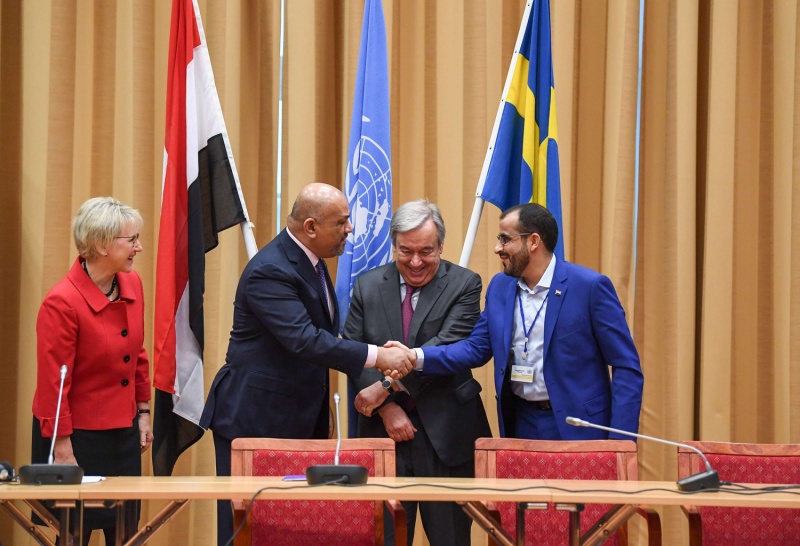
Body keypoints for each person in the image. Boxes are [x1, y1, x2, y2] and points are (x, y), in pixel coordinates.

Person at [199, 182, 414, 546]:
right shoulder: (270, 270)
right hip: (255, 418)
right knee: (248, 527)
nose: (350, 229)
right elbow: (305, 340)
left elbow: (317, 343)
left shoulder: (311, 261)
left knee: (293, 526)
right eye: (341, 222)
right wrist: (379, 356)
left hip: (294, 415)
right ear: (311, 227)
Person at [393, 202, 643, 441]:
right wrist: (415, 357)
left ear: (533, 241)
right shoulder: (500, 287)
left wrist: (621, 440)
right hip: (522, 423)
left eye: (505, 239)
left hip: (579, 426)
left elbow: (626, 366)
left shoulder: (589, 287)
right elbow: (475, 348)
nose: (497, 248)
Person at [343, 199, 491, 546]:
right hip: (383, 434)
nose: (415, 261)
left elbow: (448, 348)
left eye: (426, 251)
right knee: (385, 538)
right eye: (405, 251)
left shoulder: (465, 284)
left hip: (446, 432)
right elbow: (352, 351)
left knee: (450, 538)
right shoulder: (367, 284)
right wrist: (386, 407)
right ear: (394, 246)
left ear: (441, 246)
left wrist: (384, 387)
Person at [31, 197, 152, 544]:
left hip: (123, 433)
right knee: (75, 534)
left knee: (125, 532)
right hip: (76, 437)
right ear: (101, 245)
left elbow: (137, 354)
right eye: (131, 240)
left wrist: (143, 412)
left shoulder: (131, 284)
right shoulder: (62, 302)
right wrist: (62, 447)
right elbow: (53, 384)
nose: (139, 248)